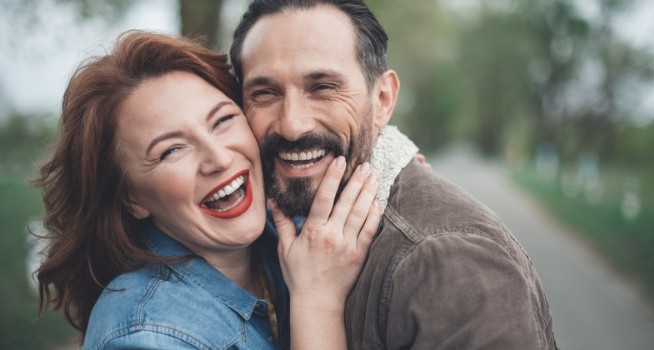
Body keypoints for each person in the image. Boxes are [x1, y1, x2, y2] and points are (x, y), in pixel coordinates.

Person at [229, 0, 558, 349]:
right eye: (264, 93)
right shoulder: (270, 223)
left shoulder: (447, 261)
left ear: (383, 100)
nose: (292, 125)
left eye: (322, 87)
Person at [34, 30, 382, 349]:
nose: (218, 157)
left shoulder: (281, 222)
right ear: (132, 198)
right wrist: (316, 300)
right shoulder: (145, 336)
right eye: (171, 150)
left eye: (223, 120)